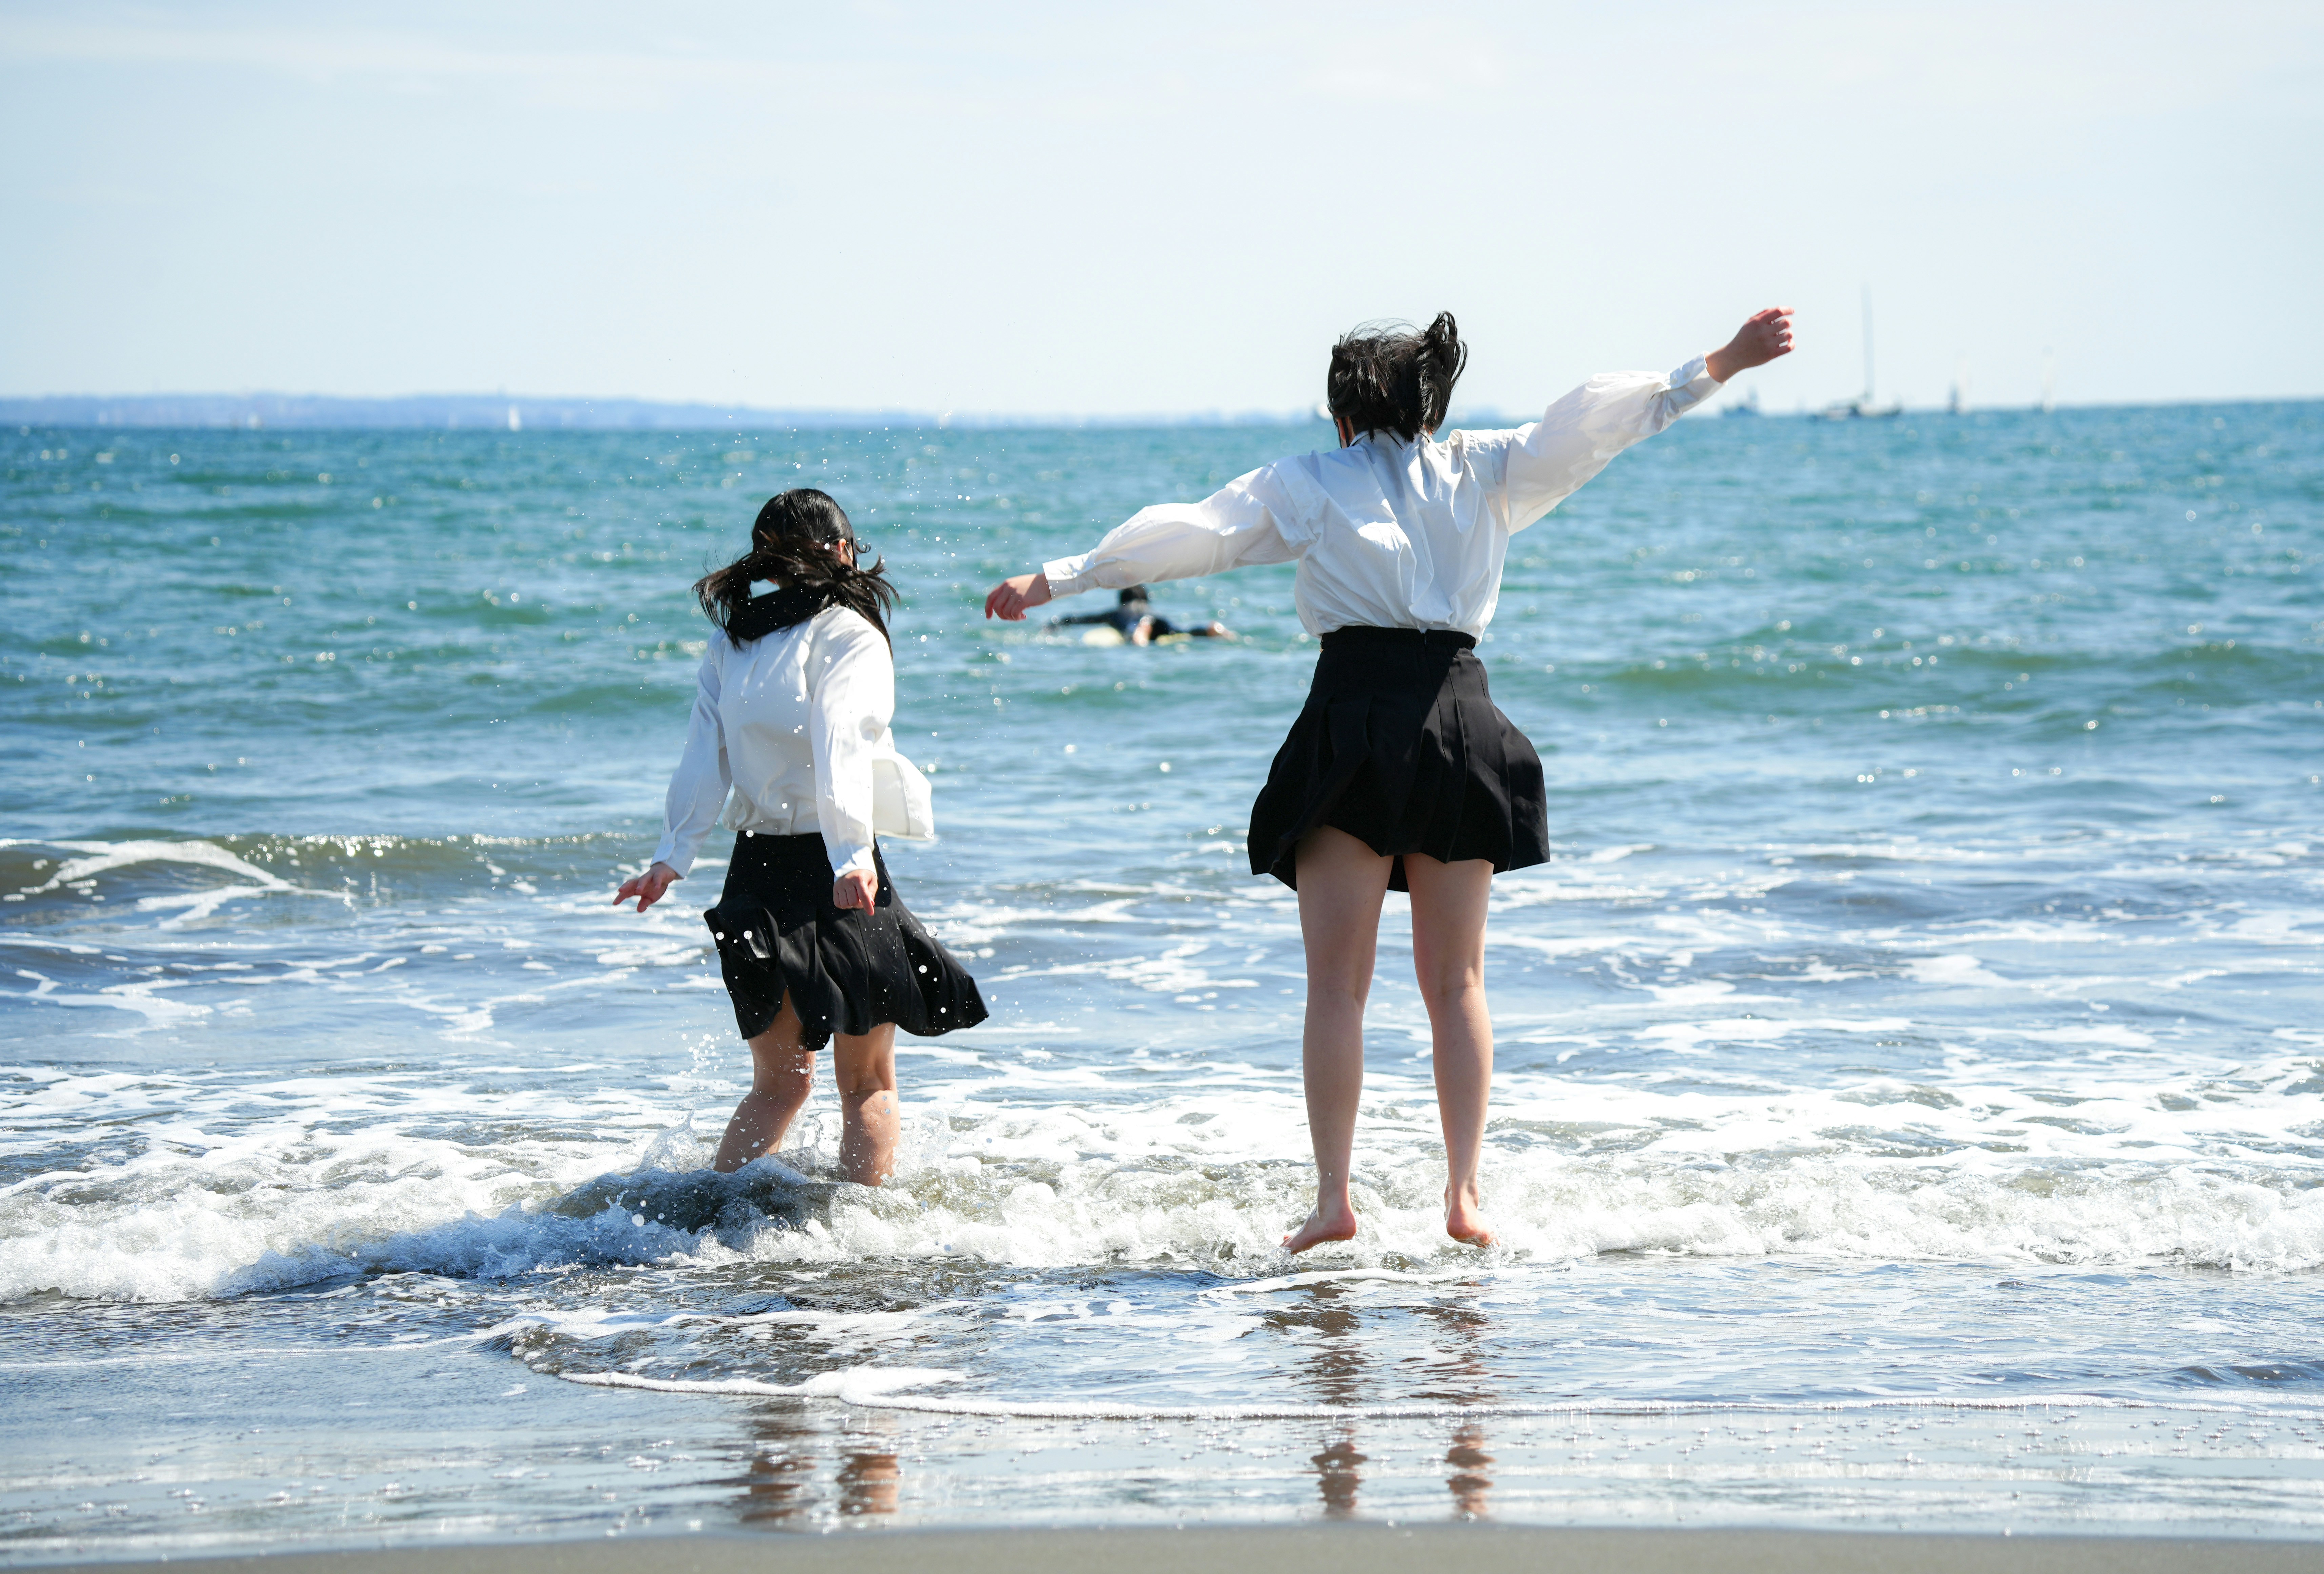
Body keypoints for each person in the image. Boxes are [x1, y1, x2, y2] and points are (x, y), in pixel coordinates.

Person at [985, 307, 1796, 1251]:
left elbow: (1197, 536)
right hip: (1460, 716)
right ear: (1431, 406)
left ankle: (1335, 1202)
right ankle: (1464, 1198)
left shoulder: (1313, 482)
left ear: (1341, 414)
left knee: (1338, 987)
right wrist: (1717, 368)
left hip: (1354, 718)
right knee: (1457, 984)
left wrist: (1065, 577)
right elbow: (1594, 429)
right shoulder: (1485, 467)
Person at [616, 489, 987, 1183]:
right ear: (844, 550)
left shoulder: (732, 642)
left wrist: (671, 858)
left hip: (753, 868)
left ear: (766, 561)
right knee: (867, 1083)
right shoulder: (851, 632)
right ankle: (856, 1254)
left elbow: (704, 757)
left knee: (779, 1085)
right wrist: (851, 855)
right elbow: (841, 737)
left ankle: (712, 1226)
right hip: (833, 865)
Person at [1049, 584, 1235, 645]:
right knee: (1181, 632)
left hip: (1138, 625)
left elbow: (1080, 619)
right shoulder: (1151, 609)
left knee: (1134, 634)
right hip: (1159, 621)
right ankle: (1211, 629)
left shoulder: (1116, 613)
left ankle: (1142, 633)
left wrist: (1056, 624)